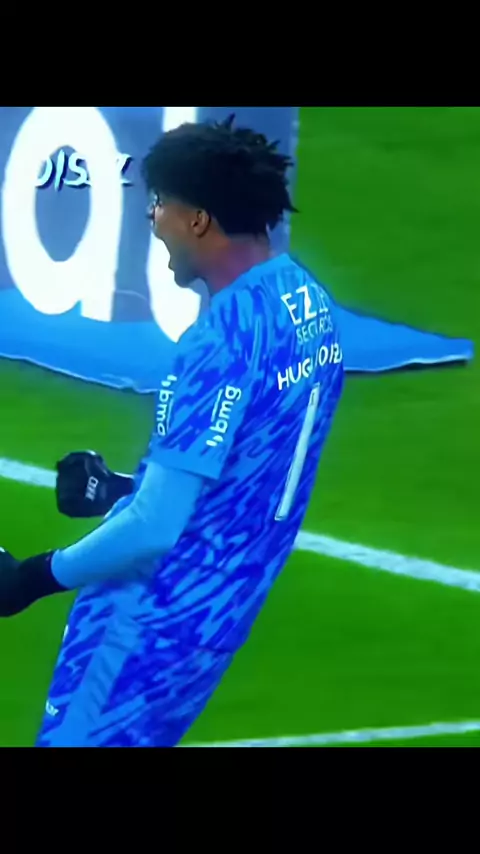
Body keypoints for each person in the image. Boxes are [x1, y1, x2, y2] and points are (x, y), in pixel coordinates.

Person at [0, 115, 344, 747]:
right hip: (220, 615)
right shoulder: (310, 306)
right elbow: (252, 472)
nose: (153, 218)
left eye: (161, 203)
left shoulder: (218, 342)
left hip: (145, 619)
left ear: (199, 220)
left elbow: (155, 527)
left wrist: (29, 578)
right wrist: (123, 487)